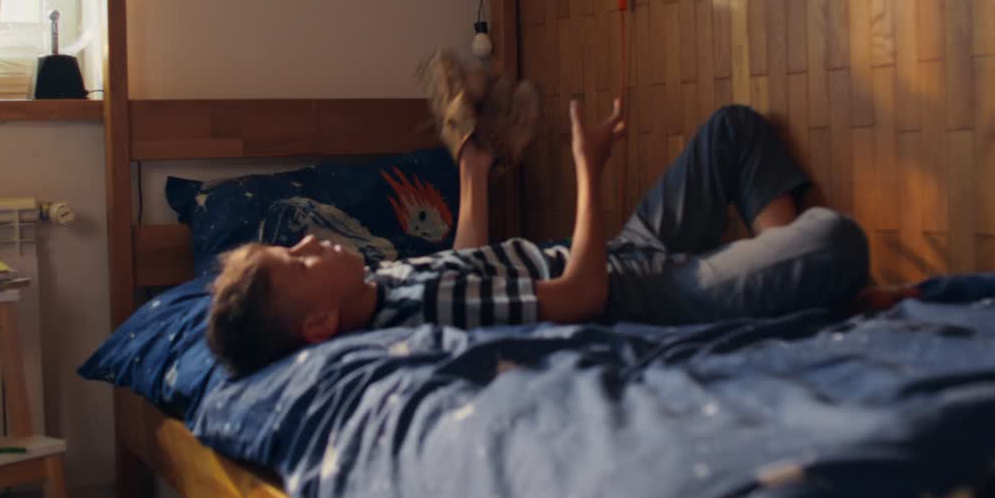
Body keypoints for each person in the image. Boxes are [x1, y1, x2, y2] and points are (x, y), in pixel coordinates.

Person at [207, 102, 874, 376]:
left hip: (622, 252)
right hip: (639, 292)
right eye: (295, 261)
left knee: (731, 128)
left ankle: (783, 294)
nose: (309, 243)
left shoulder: (381, 287)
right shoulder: (422, 317)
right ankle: (788, 287)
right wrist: (588, 171)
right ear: (320, 322)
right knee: (834, 240)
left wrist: (472, 173)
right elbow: (581, 296)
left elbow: (464, 260)